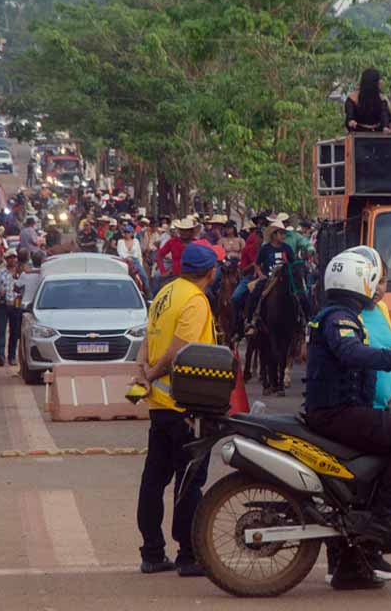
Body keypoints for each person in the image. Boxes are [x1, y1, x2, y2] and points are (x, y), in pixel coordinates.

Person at [304, 247, 391, 557]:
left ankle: (358, 561)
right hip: (339, 413)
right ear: (357, 282)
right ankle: (385, 518)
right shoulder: (339, 318)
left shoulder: (343, 315)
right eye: (372, 280)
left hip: (344, 410)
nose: (375, 287)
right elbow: (352, 353)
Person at [132, 243, 218, 577]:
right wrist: (151, 373)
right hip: (186, 407)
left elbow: (147, 339)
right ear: (210, 272)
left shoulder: (166, 292)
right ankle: (188, 555)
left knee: (154, 479)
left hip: (160, 407)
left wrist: (142, 369)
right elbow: (178, 349)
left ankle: (152, 552)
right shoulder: (196, 301)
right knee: (190, 482)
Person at [243, 221, 295, 337]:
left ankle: (302, 320)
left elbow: (293, 263)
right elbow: (257, 263)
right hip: (268, 278)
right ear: (274, 235)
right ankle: (251, 321)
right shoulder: (265, 248)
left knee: (298, 295)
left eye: (284, 234)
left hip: (284, 278)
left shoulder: (287, 248)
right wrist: (260, 274)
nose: (283, 236)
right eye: (281, 233)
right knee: (255, 294)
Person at [0, 251, 22, 366]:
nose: (12, 260)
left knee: (15, 332)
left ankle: (12, 356)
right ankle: (0, 356)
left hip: (16, 305)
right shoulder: (0, 272)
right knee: (1, 331)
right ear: (6, 259)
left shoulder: (21, 273)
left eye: (14, 258)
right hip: (2, 304)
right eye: (10, 258)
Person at [345, 68, 391, 133]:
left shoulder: (382, 98)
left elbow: (385, 114)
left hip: (378, 134)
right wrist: (351, 121)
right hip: (358, 134)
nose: (381, 82)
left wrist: (385, 126)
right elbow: (350, 115)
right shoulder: (353, 98)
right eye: (379, 79)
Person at [117, 224, 150, 292]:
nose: (126, 234)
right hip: (125, 261)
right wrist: (127, 258)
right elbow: (120, 252)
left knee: (144, 276)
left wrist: (140, 265)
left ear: (132, 233)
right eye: (125, 232)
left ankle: (147, 291)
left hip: (135, 261)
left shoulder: (136, 241)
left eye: (128, 232)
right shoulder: (120, 241)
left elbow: (139, 254)